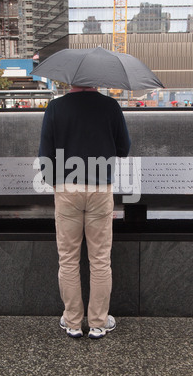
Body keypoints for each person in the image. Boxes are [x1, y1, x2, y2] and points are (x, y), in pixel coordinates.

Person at [39, 86, 131, 339]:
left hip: (67, 188)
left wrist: (56, 182)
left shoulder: (56, 107)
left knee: (68, 258)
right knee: (100, 259)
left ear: (71, 80)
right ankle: (99, 323)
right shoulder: (110, 106)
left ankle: (73, 322)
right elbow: (124, 149)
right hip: (100, 188)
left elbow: (45, 155)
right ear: (97, 80)